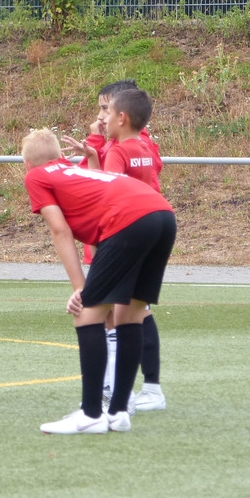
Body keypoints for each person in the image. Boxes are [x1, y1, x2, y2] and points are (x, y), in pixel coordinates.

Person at [21, 128, 176, 434]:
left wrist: (81, 288)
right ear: (61, 156)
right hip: (162, 214)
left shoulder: (36, 176)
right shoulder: (74, 171)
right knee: (129, 314)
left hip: (129, 219)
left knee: (87, 313)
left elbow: (60, 230)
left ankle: (91, 414)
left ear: (27, 164)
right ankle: (118, 412)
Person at [63, 84, 167, 413]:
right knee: (131, 312)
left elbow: (108, 192)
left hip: (122, 234)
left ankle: (117, 395)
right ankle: (129, 395)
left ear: (120, 115)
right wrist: (95, 153)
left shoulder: (121, 149)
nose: (100, 117)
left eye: (105, 110)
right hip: (147, 228)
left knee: (110, 315)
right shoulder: (142, 145)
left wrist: (76, 171)